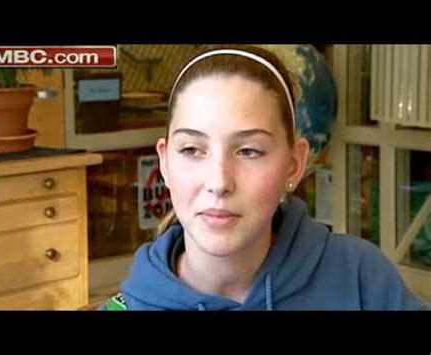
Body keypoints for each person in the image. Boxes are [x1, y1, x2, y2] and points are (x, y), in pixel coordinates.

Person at [100, 45, 429, 311]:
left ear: (294, 164)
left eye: (248, 151)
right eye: (191, 149)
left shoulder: (362, 280)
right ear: (165, 163)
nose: (219, 182)